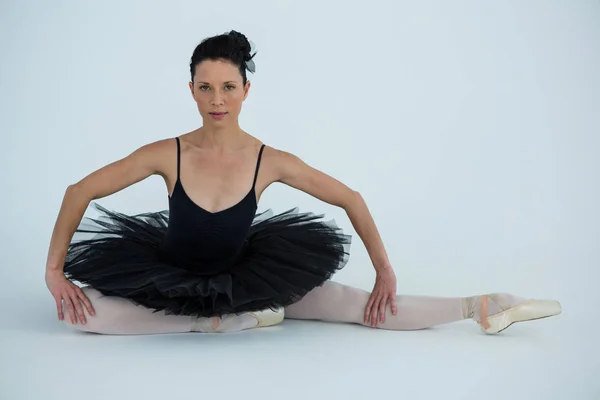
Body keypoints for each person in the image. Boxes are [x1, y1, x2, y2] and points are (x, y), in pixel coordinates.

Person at [44, 30, 561, 335]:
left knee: (357, 306)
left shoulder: (268, 160)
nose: (217, 99)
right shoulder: (168, 153)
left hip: (246, 277)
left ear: (246, 90)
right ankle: (215, 323)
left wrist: (385, 271)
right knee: (81, 316)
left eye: (228, 87)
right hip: (171, 277)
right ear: (192, 91)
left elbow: (350, 198)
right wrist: (53, 271)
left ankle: (483, 306)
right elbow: (78, 192)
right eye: (206, 88)